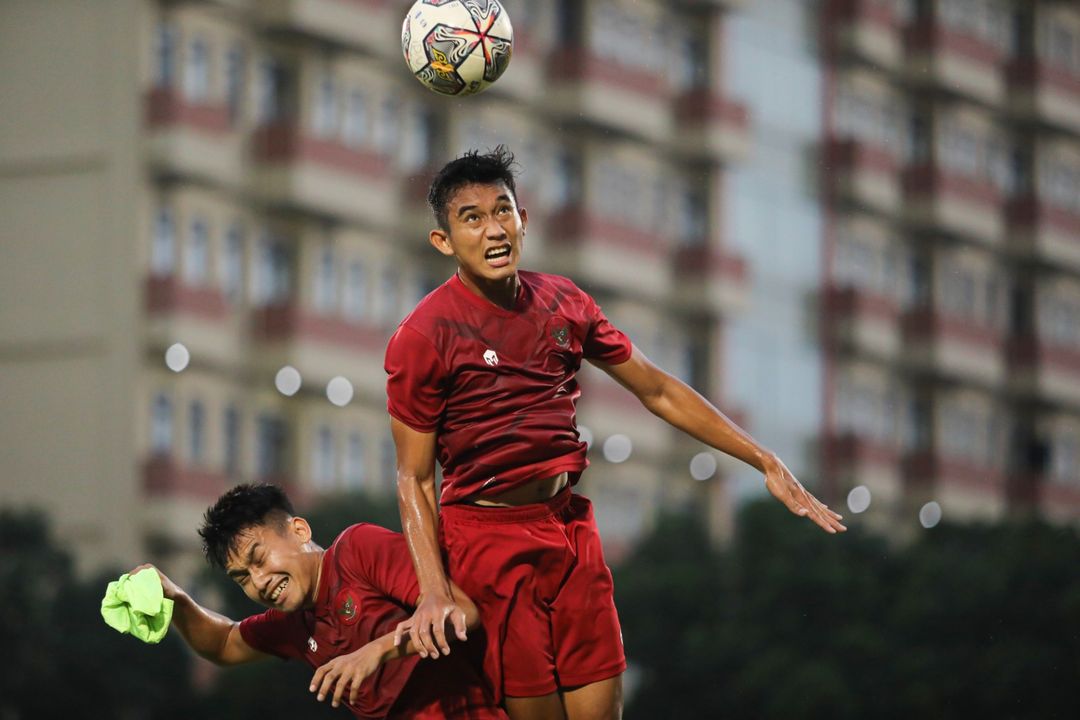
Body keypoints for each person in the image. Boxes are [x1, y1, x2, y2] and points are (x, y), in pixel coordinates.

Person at [384, 147, 847, 720]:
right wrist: (434, 589)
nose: (494, 229)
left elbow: (657, 389)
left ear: (524, 220)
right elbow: (413, 477)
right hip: (487, 543)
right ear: (445, 242)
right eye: (471, 218)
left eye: (502, 210)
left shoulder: (563, 302)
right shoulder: (422, 336)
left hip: (570, 530)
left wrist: (764, 458)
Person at [132, 483, 506, 720]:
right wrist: (177, 597)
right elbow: (224, 644)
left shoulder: (357, 551)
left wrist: (375, 651)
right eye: (242, 577)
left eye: (259, 559)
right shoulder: (296, 625)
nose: (258, 582)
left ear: (299, 531)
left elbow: (460, 613)